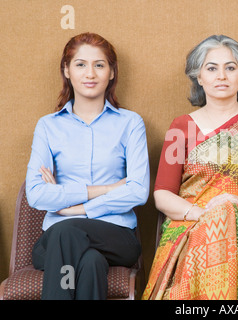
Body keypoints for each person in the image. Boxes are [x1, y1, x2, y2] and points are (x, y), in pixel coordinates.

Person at [142, 35, 238, 300]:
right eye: (211, 68)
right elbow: (162, 195)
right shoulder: (181, 127)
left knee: (229, 216)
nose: (222, 76)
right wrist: (202, 214)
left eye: (230, 68)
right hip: (192, 224)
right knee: (219, 221)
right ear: (199, 77)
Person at [26, 32, 150, 300]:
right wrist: (104, 189)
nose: (90, 73)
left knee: (67, 230)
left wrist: (73, 208)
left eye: (99, 64)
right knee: (90, 261)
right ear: (67, 71)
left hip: (115, 236)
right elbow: (36, 194)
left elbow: (138, 191)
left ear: (112, 72)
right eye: (80, 64)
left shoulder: (130, 123)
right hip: (56, 240)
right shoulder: (48, 126)